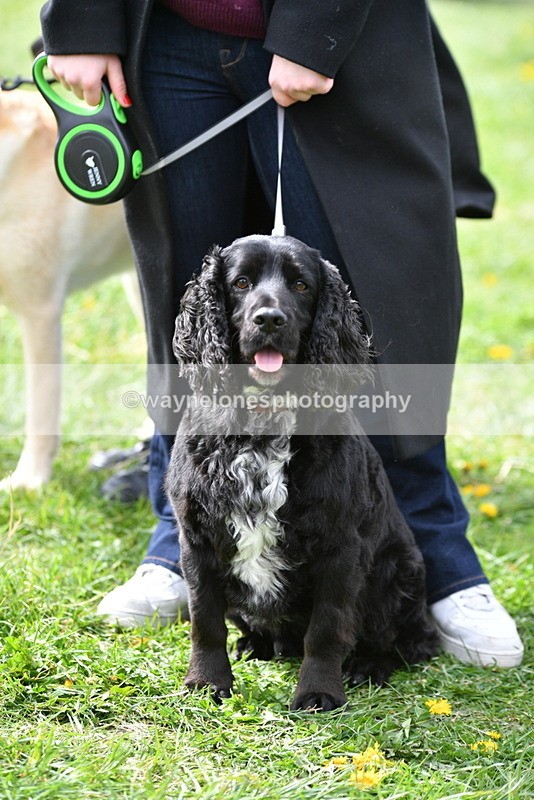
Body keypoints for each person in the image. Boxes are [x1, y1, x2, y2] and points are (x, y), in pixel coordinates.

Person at [40, 0, 523, 667]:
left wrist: (312, 27)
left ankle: (438, 556)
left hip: (339, 32)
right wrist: (85, 20)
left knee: (365, 293)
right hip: (170, 35)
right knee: (197, 299)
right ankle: (179, 543)